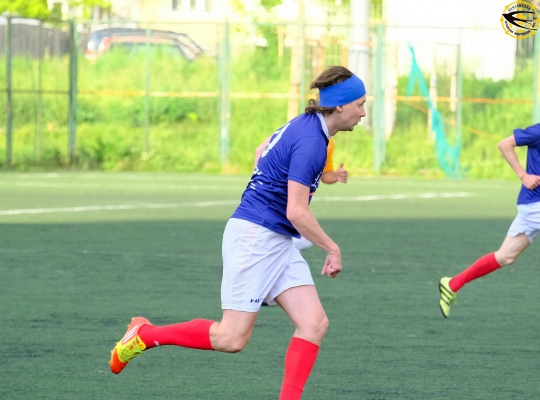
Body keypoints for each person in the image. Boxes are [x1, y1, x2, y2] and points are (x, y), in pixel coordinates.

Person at [109, 66, 367, 399]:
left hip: (274, 238)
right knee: (231, 338)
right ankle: (144, 335)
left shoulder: (305, 125)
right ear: (340, 106)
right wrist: (331, 248)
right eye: (360, 104)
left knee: (313, 323)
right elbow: (296, 211)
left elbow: (261, 152)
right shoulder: (311, 142)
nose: (363, 112)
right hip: (255, 238)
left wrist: (266, 193)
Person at [439, 123, 540, 318]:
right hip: (534, 204)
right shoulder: (538, 131)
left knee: (505, 256)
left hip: (532, 206)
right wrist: (523, 175)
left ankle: (452, 284)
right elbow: (504, 144)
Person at [254, 135, 348, 252]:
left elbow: (325, 174)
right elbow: (260, 150)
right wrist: (260, 185)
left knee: (303, 239)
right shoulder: (301, 131)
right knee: (300, 236)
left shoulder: (328, 142)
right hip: (276, 198)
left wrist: (336, 176)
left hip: (289, 202)